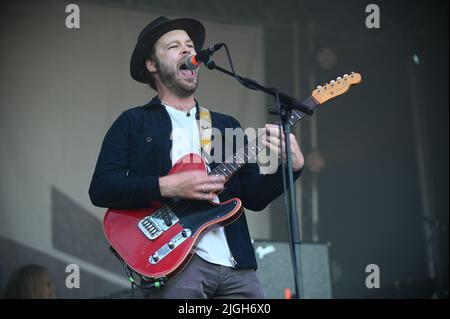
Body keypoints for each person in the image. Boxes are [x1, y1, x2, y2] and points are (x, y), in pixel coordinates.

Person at [89, 16, 304, 299]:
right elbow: (102, 188)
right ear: (152, 65)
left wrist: (292, 168)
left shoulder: (226, 125)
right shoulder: (134, 122)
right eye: (174, 46)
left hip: (238, 267)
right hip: (176, 264)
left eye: (190, 46)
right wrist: (168, 186)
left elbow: (254, 197)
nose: (188, 51)